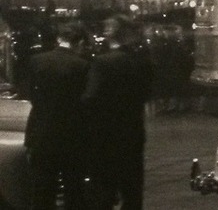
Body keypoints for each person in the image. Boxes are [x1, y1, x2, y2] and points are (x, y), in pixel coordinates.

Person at [83, 14, 154, 210]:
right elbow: (146, 94)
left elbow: (91, 97)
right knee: (132, 191)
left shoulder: (102, 63)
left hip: (106, 136)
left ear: (110, 35)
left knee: (104, 191)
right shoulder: (141, 62)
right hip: (132, 132)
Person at [24, 21, 91, 210]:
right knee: (74, 192)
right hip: (72, 137)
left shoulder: (37, 61)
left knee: (42, 193)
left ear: (58, 39)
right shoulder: (83, 66)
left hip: (42, 133)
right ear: (78, 42)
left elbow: (32, 95)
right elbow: (85, 102)